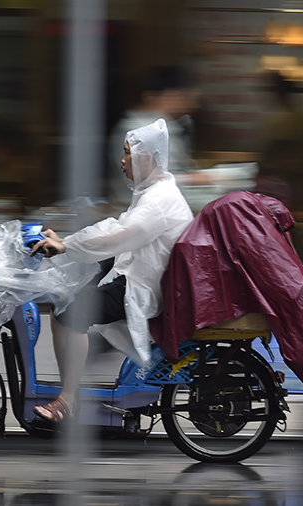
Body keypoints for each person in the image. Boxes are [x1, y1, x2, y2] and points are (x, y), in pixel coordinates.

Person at [30, 118, 194, 422]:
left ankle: (67, 400)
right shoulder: (155, 191)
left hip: (143, 288)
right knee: (67, 298)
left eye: (128, 153)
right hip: (139, 275)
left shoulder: (159, 200)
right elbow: (116, 231)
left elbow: (119, 233)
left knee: (70, 313)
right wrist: (66, 243)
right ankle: (74, 389)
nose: (122, 160)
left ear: (146, 158)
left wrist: (67, 245)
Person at [108, 66, 203, 207]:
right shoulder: (139, 129)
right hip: (143, 210)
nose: (188, 104)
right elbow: (156, 180)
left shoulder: (168, 125)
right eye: (180, 96)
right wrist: (204, 178)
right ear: (151, 97)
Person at [254, 71, 303, 212]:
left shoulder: (285, 120)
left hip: (283, 186)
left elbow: (284, 157)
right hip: (293, 186)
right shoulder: (300, 118)